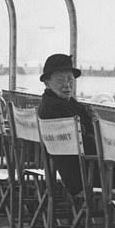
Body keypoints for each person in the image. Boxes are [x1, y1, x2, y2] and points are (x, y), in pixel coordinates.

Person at [36, 53, 96, 196]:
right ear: (47, 82)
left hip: (76, 173)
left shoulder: (60, 103)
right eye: (60, 80)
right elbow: (86, 144)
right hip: (85, 178)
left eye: (70, 79)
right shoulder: (57, 109)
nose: (67, 84)